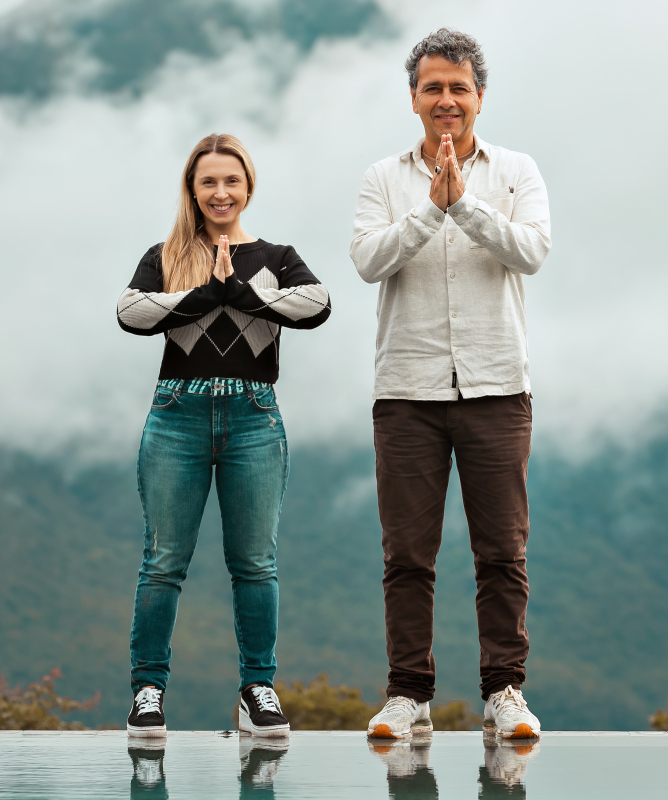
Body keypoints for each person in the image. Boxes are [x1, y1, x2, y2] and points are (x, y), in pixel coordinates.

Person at [350, 28, 550, 740]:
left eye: (458, 88)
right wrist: (430, 208)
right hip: (406, 390)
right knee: (407, 555)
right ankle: (409, 695)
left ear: (480, 97)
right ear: (413, 98)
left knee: (502, 550)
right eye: (432, 88)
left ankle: (505, 691)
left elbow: (532, 250)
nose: (446, 100)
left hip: (498, 385)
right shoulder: (383, 178)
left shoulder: (517, 170)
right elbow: (368, 260)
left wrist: (464, 204)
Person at [117, 133, 331, 737]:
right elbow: (130, 311)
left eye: (231, 181)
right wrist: (206, 292)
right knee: (163, 563)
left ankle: (257, 688)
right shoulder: (164, 255)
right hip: (177, 417)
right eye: (208, 181)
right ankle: (148, 693)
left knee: (256, 564)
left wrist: (238, 288)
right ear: (193, 188)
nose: (220, 192)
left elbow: (316, 304)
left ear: (248, 187)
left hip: (253, 420)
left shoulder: (276, 255)